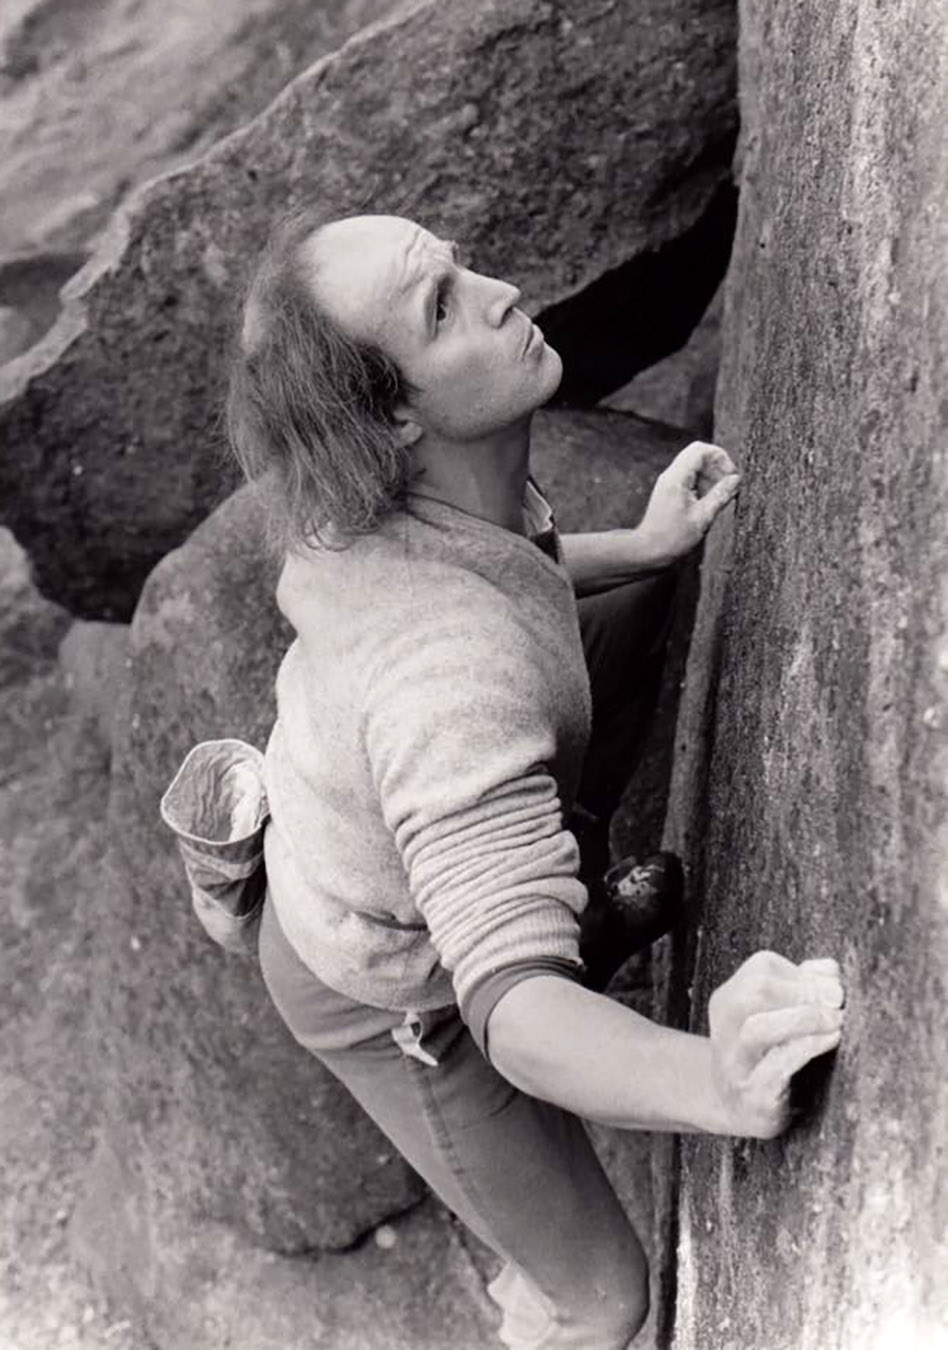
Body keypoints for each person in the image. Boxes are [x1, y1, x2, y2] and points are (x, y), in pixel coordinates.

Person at [225, 209, 845, 1349]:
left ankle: (552, 913)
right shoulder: (448, 682)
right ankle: (536, 1291)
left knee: (633, 611)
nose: (505, 287)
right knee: (605, 1299)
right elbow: (509, 1021)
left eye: (462, 262)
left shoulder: (395, 504)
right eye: (445, 307)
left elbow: (515, 570)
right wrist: (722, 1085)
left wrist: (645, 548)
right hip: (380, 988)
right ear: (396, 420)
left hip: (371, 797)